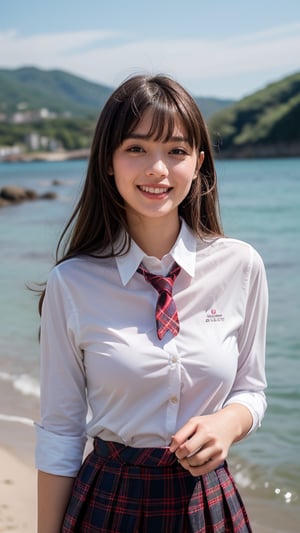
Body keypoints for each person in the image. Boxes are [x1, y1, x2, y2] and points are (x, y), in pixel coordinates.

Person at [35, 73, 268, 533]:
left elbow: (251, 390)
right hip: (108, 502)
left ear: (199, 162)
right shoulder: (72, 282)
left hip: (209, 502)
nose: (158, 169)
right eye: (137, 148)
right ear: (108, 161)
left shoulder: (241, 266)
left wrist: (227, 425)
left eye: (176, 151)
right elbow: (60, 431)